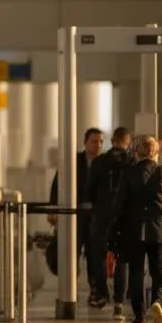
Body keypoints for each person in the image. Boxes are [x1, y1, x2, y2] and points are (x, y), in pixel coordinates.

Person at [109, 134, 162, 323]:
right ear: (157, 153)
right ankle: (157, 301)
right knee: (160, 271)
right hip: (161, 229)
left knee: (136, 273)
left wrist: (116, 227)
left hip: (133, 231)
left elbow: (118, 204)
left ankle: (139, 317)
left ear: (137, 152)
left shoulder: (129, 173)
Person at [49, 127, 105, 306]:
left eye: (101, 142)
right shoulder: (74, 161)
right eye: (94, 141)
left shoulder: (104, 163)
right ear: (85, 143)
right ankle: (70, 285)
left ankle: (95, 288)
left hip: (96, 216)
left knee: (93, 252)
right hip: (75, 215)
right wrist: (53, 208)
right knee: (72, 249)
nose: (98, 145)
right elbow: (58, 184)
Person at [87, 126, 134, 316]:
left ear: (112, 141)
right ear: (128, 142)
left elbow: (89, 191)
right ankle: (119, 301)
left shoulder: (99, 162)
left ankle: (102, 293)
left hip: (101, 215)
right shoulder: (131, 162)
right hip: (124, 217)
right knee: (121, 258)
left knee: (98, 255)